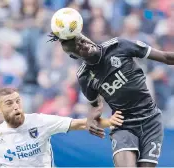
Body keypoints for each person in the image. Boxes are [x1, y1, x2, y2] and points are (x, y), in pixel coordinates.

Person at [48, 33, 174, 167]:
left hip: (151, 120)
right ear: (74, 56)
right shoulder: (84, 76)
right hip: (124, 124)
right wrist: (91, 119)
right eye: (78, 48)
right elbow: (95, 105)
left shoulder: (118, 45)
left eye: (82, 40)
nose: (84, 45)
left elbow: (166, 57)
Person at [0, 88, 124, 167]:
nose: (16, 106)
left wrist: (110, 121)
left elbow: (82, 123)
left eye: (17, 101)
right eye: (9, 103)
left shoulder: (39, 121)